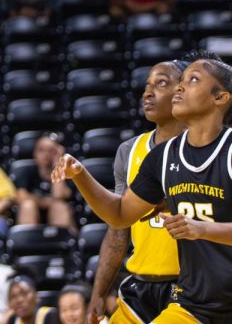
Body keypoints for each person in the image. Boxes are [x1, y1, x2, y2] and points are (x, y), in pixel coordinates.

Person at [53, 57, 232, 323]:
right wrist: (80, 174)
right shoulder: (163, 156)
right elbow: (120, 214)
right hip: (194, 302)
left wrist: (202, 229)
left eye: (192, 80)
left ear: (221, 97)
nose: (181, 88)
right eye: (180, 82)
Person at [87, 59, 188, 324]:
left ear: (183, 90)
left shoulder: (211, 147)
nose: (148, 93)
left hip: (191, 287)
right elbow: (118, 229)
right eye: (147, 86)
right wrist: (99, 293)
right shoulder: (129, 151)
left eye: (161, 83)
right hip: (140, 288)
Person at [14, 134, 75, 230]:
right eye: (41, 150)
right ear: (35, 153)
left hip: (57, 217)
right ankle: (27, 243)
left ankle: (60, 243)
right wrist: (46, 202)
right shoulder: (27, 172)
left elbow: (58, 196)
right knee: (27, 206)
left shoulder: (68, 173)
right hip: (34, 214)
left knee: (59, 207)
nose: (46, 154)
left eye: (51, 150)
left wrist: (58, 165)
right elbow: (21, 197)